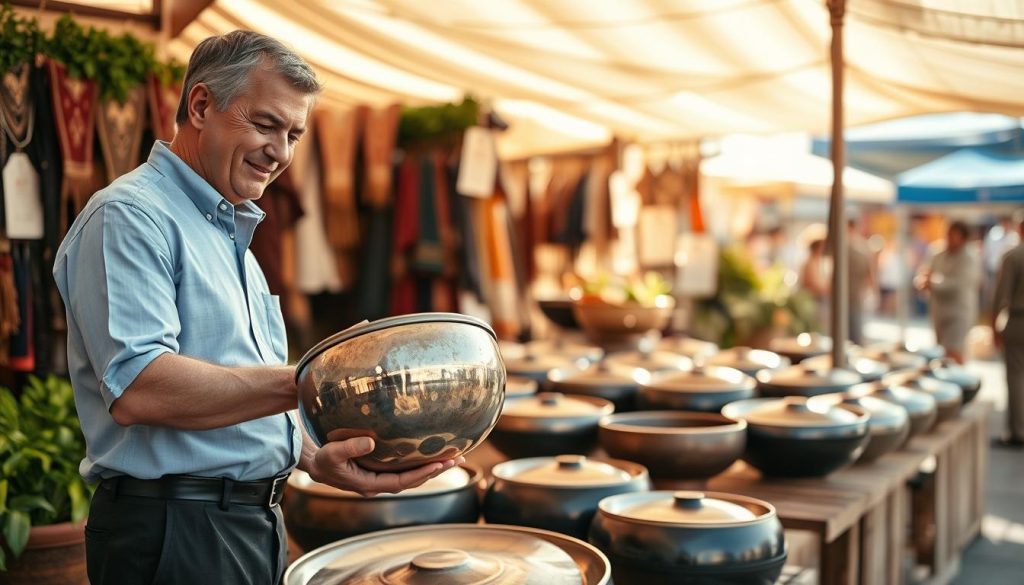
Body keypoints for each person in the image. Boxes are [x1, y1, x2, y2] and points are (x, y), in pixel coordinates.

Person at [52, 31, 460, 585]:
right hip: (174, 531)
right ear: (200, 105)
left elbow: (234, 399)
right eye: (266, 124)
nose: (282, 152)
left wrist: (313, 457)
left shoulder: (230, 228)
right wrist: (318, 378)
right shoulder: (130, 215)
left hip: (248, 522)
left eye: (294, 134)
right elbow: (139, 386)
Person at [916, 220, 981, 364]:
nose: (949, 238)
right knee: (941, 352)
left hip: (958, 312)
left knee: (953, 351)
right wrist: (924, 281)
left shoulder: (969, 257)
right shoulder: (937, 252)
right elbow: (925, 272)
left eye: (953, 235)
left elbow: (958, 284)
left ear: (963, 238)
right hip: (939, 311)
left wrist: (932, 283)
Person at [992, 214, 1024, 448]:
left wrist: (993, 325)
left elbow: (1000, 295)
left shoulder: (1013, 256)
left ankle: (1017, 431)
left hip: (1018, 321)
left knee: (1015, 378)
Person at [847, 218, 876, 346]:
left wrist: (872, 289)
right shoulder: (860, 247)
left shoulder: (861, 247)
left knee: (854, 325)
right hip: (850, 292)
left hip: (855, 292)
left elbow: (870, 272)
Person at [800, 238, 830, 331]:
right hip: (815, 300)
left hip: (821, 299)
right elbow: (815, 284)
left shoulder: (819, 262)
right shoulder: (810, 263)